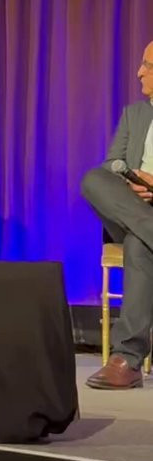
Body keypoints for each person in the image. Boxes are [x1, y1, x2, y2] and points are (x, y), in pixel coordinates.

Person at [82, 41, 153, 389]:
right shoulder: (134, 114)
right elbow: (112, 162)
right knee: (94, 179)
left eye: (148, 66)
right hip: (130, 207)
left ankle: (127, 359)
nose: (139, 72)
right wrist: (134, 179)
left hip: (139, 229)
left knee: (139, 246)